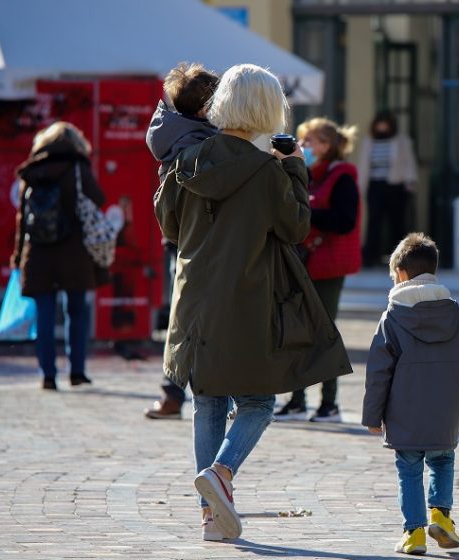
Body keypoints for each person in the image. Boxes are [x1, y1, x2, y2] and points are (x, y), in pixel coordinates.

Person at [154, 64, 352, 542]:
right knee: (259, 401)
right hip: (247, 298)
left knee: (208, 400)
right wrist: (295, 164)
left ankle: (211, 517)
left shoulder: (188, 158)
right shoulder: (266, 168)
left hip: (195, 296)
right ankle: (221, 473)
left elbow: (170, 228)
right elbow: (296, 228)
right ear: (268, 109)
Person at [362, 233, 459, 555]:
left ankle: (414, 533)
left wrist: (372, 417)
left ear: (400, 273)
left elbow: (378, 372)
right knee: (443, 461)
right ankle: (441, 515)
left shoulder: (393, 317)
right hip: (445, 412)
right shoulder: (453, 312)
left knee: (410, 470)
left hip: (405, 413)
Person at [273, 117, 361, 423]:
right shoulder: (306, 173)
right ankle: (297, 401)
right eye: (303, 141)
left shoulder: (342, 176)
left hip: (328, 265)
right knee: (297, 332)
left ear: (328, 145)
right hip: (303, 262)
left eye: (311, 141)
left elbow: (344, 220)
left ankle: (329, 404)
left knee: (323, 333)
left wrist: (307, 212)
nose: (305, 147)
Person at [144, 62, 219, 420]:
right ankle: (183, 392)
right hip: (202, 239)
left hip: (180, 237)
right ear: (206, 107)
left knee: (184, 314)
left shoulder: (172, 131)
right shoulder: (200, 142)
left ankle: (174, 393)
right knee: (193, 317)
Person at [10, 121, 108, 391]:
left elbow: (22, 220)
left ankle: (48, 375)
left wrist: (18, 257)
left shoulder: (31, 170)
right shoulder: (78, 168)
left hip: (38, 253)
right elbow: (97, 198)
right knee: (76, 312)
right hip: (73, 252)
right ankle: (76, 371)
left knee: (44, 314)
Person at [358, 111, 419, 267]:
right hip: (375, 185)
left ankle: (401, 257)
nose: (382, 126)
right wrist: (360, 186)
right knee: (374, 222)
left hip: (395, 186)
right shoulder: (369, 141)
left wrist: (410, 181)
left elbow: (408, 161)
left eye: (385, 123)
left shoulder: (401, 140)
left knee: (397, 223)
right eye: (380, 123)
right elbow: (364, 165)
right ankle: (371, 257)